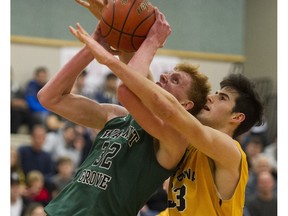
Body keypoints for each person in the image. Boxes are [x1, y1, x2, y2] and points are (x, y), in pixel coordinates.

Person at [69, 5, 263, 216]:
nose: (210, 97)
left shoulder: (230, 151)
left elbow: (168, 109)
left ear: (237, 117)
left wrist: (109, 60)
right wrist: (114, 29)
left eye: (222, 98)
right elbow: (147, 89)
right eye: (216, 92)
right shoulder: (186, 142)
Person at [37, 8, 210, 216]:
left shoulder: (175, 138)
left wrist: (153, 40)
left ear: (185, 105)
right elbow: (49, 97)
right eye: (167, 74)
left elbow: (130, 86)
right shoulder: (117, 116)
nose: (163, 77)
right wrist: (94, 46)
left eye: (175, 80)